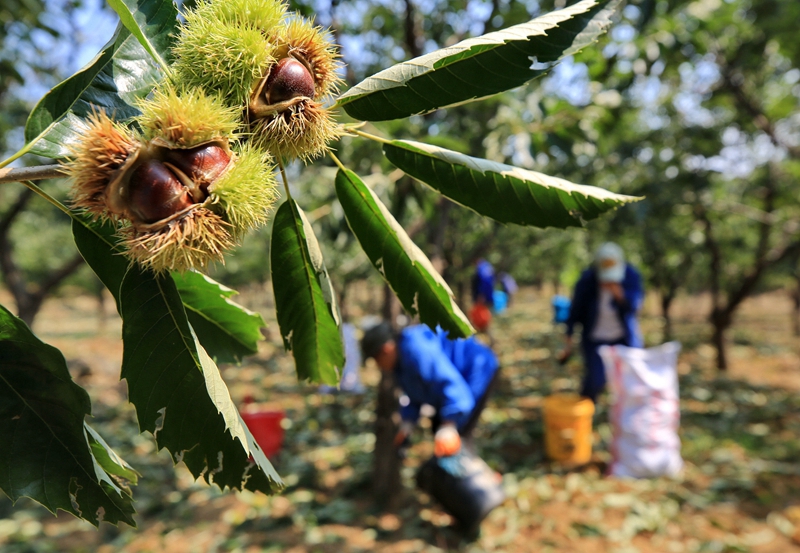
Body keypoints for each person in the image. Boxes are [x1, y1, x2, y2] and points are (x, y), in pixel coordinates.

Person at [361, 323, 500, 457]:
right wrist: (408, 423)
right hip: (457, 388)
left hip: (477, 373)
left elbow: (451, 385)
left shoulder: (417, 349)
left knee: (457, 439)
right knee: (440, 431)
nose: (378, 365)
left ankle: (475, 478)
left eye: (376, 359)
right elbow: (415, 394)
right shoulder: (400, 363)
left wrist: (449, 425)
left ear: (387, 349)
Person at [558, 242, 644, 403]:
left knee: (630, 379)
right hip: (595, 338)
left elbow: (634, 308)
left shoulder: (631, 276)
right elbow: (575, 311)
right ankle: (587, 411)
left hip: (623, 337)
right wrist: (568, 339)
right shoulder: (587, 281)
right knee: (594, 379)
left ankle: (624, 414)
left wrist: (619, 295)